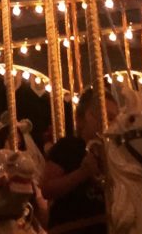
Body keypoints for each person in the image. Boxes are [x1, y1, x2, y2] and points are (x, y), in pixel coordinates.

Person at [42, 89, 113, 234]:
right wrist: (82, 173)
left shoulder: (114, 152)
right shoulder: (69, 146)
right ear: (81, 119)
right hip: (73, 228)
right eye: (104, 116)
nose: (109, 123)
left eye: (114, 118)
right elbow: (47, 188)